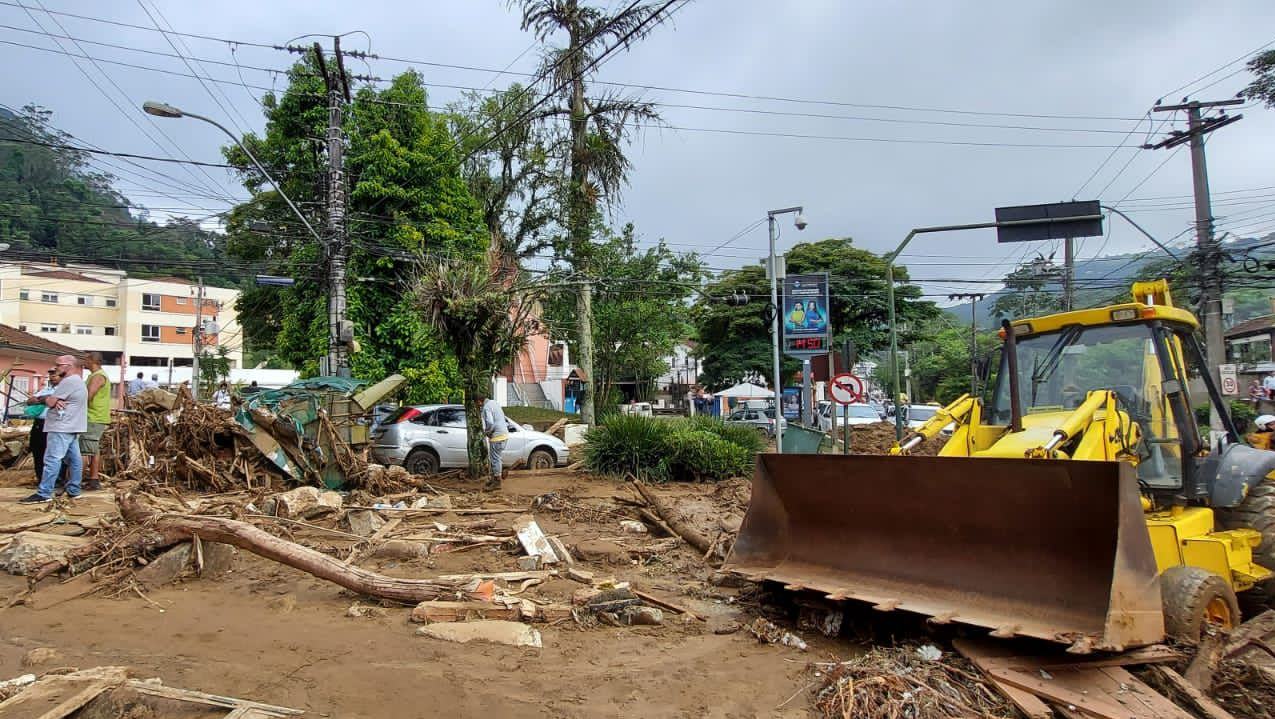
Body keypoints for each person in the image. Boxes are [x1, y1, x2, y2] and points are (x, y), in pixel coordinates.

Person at [20, 355, 87, 503]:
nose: (56, 368)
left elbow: (50, 402)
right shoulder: (77, 381)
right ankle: (74, 490)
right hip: (72, 425)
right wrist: (51, 398)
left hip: (61, 425)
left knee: (52, 459)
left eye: (59, 365)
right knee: (74, 459)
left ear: (69, 366)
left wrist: (45, 399)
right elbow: (52, 400)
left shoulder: (68, 382)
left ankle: (44, 493)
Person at [79, 352, 111, 492]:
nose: (83, 362)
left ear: (91, 360)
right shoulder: (97, 375)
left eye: (85, 359)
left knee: (83, 451)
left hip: (92, 417)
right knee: (93, 449)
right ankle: (93, 479)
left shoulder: (98, 376)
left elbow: (88, 395)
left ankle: (75, 482)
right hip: (96, 417)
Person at [474, 391, 509, 490]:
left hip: (497, 436)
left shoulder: (486, 408)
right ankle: (494, 479)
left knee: (495, 459)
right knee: (497, 458)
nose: (477, 406)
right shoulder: (494, 403)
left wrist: (487, 432)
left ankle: (497, 482)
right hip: (504, 434)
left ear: (479, 402)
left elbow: (489, 422)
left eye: (476, 404)